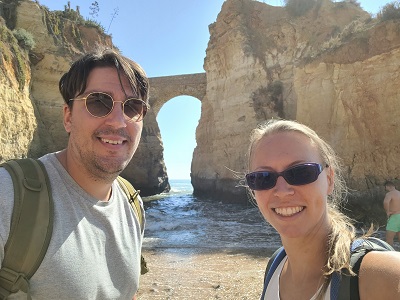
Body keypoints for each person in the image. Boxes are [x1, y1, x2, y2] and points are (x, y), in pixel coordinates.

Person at [0, 47, 149, 299]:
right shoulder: (9, 196)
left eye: (132, 107)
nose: (118, 121)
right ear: (68, 117)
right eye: (99, 102)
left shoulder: (132, 203)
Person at [244, 119, 400, 300]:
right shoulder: (275, 266)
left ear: (329, 179)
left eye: (301, 172)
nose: (282, 191)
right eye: (263, 177)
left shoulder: (382, 276)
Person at [383, 181, 400, 247]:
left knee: (389, 240)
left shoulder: (389, 194)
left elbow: (386, 202)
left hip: (394, 217)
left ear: (387, 186)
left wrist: (388, 211)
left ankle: (390, 255)